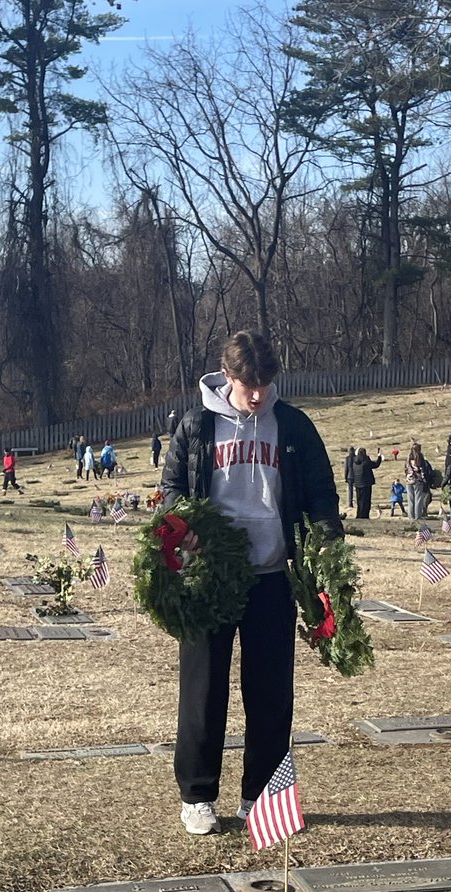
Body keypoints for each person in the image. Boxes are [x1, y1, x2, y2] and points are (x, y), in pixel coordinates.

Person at [161, 329, 342, 836]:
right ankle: (197, 795)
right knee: (203, 689)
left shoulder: (292, 425)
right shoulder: (197, 426)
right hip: (210, 577)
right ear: (228, 376)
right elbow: (172, 487)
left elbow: (322, 493)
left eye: (265, 383)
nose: (258, 394)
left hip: (272, 577)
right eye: (248, 385)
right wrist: (186, 525)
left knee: (270, 691)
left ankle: (260, 796)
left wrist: (327, 542)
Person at [351, 446, 383, 519]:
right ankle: (364, 515)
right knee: (366, 501)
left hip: (357, 483)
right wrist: (379, 456)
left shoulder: (354, 462)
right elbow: (376, 464)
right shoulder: (366, 461)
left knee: (359, 500)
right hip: (366, 483)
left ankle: (359, 514)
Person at [405, 443, 430, 520]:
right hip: (418, 480)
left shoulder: (408, 458)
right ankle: (417, 516)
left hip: (409, 480)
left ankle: (411, 516)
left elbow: (405, 469)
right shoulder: (420, 457)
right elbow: (423, 469)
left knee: (410, 499)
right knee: (418, 499)